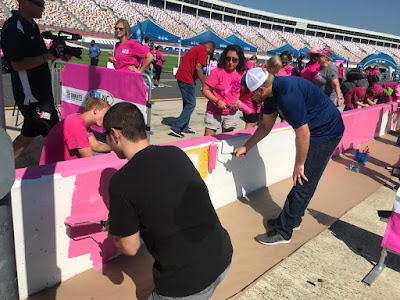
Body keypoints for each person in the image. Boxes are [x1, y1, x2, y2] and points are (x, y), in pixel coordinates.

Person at [102, 102, 233, 299]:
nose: (108, 145)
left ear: (115, 134)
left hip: (188, 284)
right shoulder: (175, 153)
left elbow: (130, 248)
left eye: (105, 138)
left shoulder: (121, 181)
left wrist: (116, 231)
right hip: (223, 256)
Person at [235, 68, 344, 245]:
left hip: (326, 132)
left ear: (260, 90)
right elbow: (265, 126)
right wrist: (246, 146)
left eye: (250, 96)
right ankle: (293, 220)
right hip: (315, 130)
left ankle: (283, 231)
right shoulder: (271, 94)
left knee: (303, 180)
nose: (251, 101)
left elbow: (303, 134)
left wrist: (299, 164)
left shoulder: (286, 95)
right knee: (302, 180)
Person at [1, 0, 70, 160]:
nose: (43, 7)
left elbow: (38, 56)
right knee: (55, 131)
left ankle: (4, 166)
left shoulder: (31, 25)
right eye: (39, 3)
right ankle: (64, 169)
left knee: (30, 132)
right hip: (31, 96)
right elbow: (17, 65)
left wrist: (57, 54)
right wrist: (48, 56)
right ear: (25, 2)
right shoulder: (13, 26)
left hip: (40, 93)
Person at [39, 97, 111, 165]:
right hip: (53, 173)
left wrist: (116, 147)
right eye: (106, 115)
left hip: (63, 169)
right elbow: (89, 158)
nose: (107, 119)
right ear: (95, 110)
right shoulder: (76, 124)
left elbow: (95, 145)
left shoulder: (80, 120)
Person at [170, 41, 216, 137]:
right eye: (210, 53)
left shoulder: (198, 48)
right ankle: (177, 127)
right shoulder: (203, 50)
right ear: (210, 48)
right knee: (191, 104)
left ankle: (184, 127)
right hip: (186, 78)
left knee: (187, 104)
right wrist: (204, 83)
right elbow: (198, 67)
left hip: (183, 76)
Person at [202, 45, 246, 135]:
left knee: (227, 140)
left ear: (239, 60)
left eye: (234, 60)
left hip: (231, 113)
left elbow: (246, 93)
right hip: (214, 111)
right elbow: (205, 90)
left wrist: (240, 101)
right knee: (208, 140)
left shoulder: (242, 74)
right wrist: (217, 101)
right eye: (228, 59)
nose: (230, 62)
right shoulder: (217, 72)